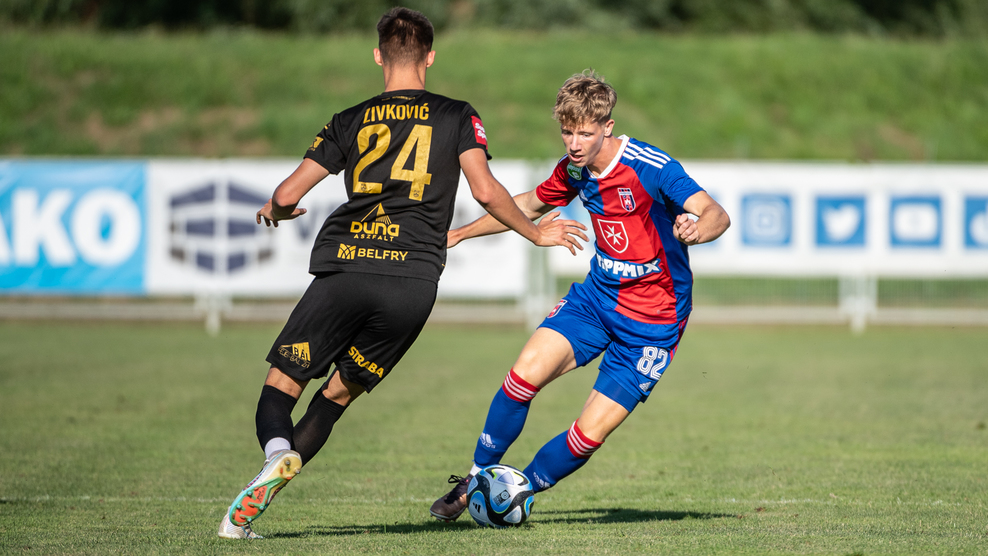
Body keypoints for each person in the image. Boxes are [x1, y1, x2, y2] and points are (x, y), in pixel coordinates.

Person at [217, 7, 586, 539]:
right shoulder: (458, 115)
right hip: (413, 285)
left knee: (281, 386)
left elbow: (287, 193)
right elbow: (486, 191)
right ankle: (248, 513)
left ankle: (277, 453)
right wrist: (535, 233)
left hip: (347, 270)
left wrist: (277, 210)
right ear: (430, 57)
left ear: (378, 57)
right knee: (335, 397)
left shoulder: (350, 119)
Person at [430, 70, 731, 521]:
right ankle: (473, 480)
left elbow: (715, 213)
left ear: (608, 126)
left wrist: (696, 230)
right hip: (594, 301)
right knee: (521, 376)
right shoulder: (575, 168)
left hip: (653, 324)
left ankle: (515, 491)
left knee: (588, 434)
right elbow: (528, 204)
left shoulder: (651, 166)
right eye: (567, 132)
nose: (574, 143)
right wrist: (458, 234)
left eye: (585, 133)